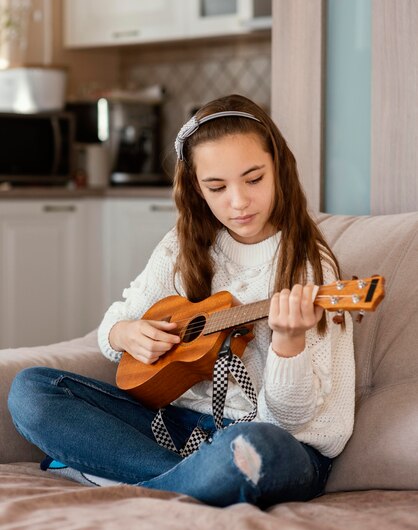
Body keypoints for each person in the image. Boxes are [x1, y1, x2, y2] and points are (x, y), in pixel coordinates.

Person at [8, 94, 355, 509]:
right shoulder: (182, 248)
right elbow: (113, 324)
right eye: (217, 187)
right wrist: (125, 334)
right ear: (196, 188)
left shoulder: (311, 270)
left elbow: (290, 421)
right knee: (32, 390)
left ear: (279, 168)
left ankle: (119, 475)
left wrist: (289, 343)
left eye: (254, 179)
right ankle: (188, 480)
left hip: (275, 443)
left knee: (254, 447)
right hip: (175, 430)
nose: (239, 201)